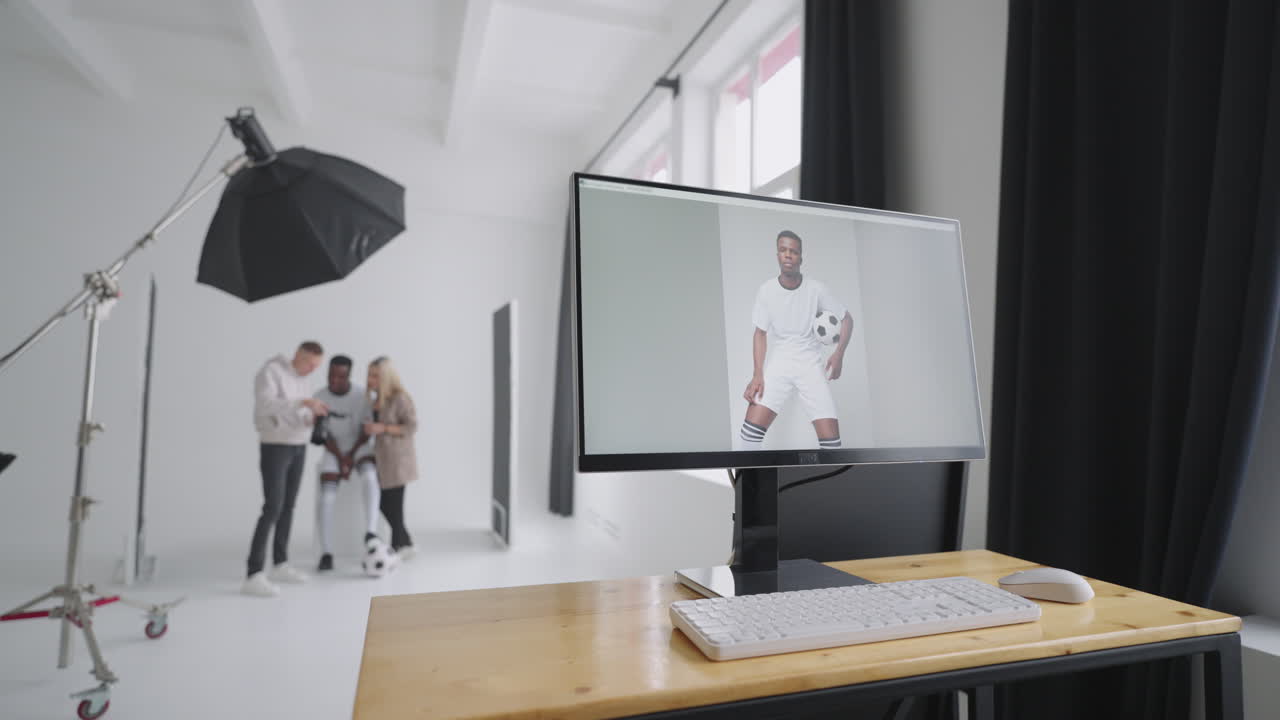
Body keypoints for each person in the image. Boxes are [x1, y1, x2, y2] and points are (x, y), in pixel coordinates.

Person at [734, 230, 853, 451]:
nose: (788, 255)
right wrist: (757, 374)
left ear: (800, 257)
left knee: (833, 448)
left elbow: (847, 319)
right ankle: (755, 475)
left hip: (810, 366)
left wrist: (839, 355)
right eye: (783, 250)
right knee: (748, 439)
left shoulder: (816, 289)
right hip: (780, 363)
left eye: (794, 251)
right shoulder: (766, 290)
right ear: (777, 255)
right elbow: (760, 333)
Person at [245, 341, 328, 597]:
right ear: (298, 355)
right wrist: (303, 402)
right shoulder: (271, 371)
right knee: (272, 507)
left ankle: (280, 563)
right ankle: (253, 573)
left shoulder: (304, 380)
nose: (312, 370)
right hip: (275, 445)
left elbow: (298, 412)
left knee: (288, 506)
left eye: (316, 366)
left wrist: (311, 416)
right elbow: (265, 405)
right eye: (310, 364)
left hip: (298, 445)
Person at [313, 355, 380, 572]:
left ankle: (371, 533)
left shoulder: (361, 396)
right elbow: (322, 435)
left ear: (348, 376)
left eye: (340, 376)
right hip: (333, 450)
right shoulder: (320, 397)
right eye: (330, 375)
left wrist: (350, 457)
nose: (334, 380)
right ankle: (326, 552)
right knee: (326, 497)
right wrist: (341, 459)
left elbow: (366, 433)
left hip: (358, 447)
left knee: (370, 477)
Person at [363, 356, 418, 557]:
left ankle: (399, 546)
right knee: (383, 503)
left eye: (375, 376)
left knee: (394, 505)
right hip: (381, 459)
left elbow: (411, 426)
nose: (370, 380)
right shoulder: (376, 399)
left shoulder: (400, 398)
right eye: (369, 375)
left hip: (397, 459)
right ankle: (406, 543)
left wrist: (383, 428)